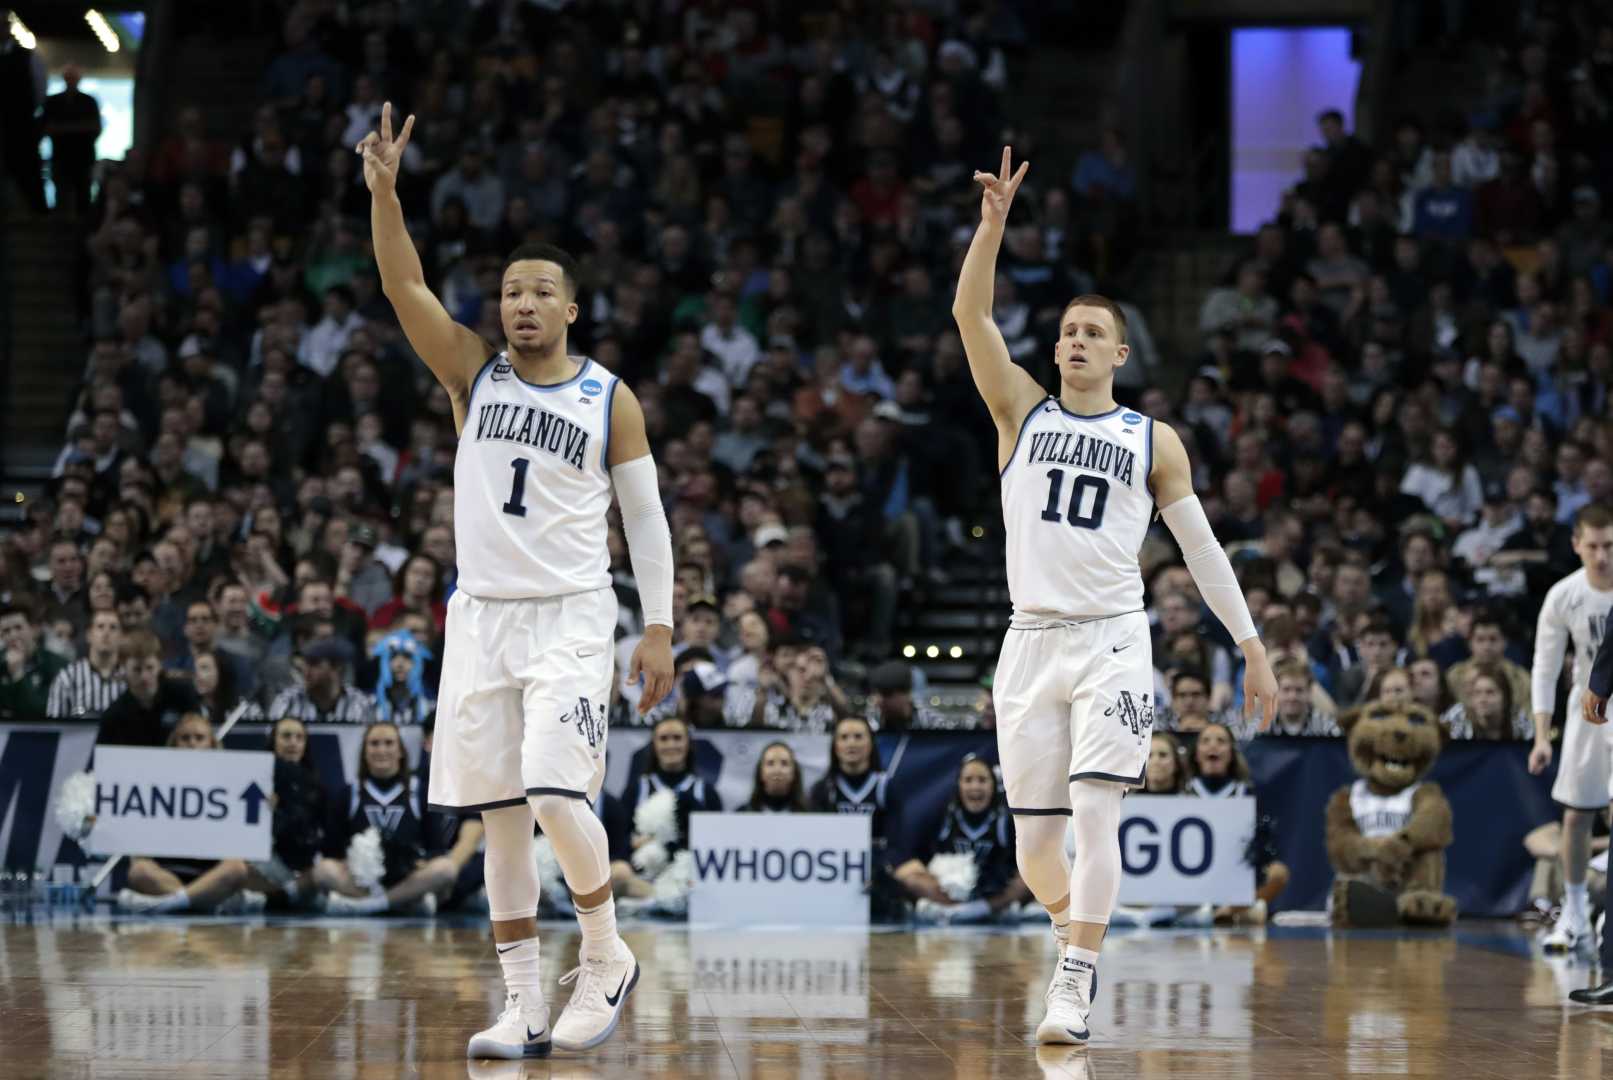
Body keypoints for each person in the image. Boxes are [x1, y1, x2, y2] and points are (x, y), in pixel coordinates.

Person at [360, 102, 674, 1059]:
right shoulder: (472, 375)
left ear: (571, 308)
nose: (522, 304)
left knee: (549, 789)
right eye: (509, 292)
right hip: (482, 618)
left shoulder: (607, 396)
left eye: (541, 291)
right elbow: (403, 281)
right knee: (499, 815)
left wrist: (658, 628)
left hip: (573, 615)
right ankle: (525, 1003)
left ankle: (607, 952)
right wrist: (385, 193)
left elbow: (648, 519)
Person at [952, 147, 1276, 1045]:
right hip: (1028, 641)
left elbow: (1201, 548)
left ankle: (1076, 976)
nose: (1078, 340)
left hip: (1113, 641)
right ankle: (1070, 933)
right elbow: (970, 314)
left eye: (1095, 332)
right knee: (1034, 850)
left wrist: (1248, 642)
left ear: (1120, 353)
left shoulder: (1151, 439)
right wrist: (991, 229)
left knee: (1098, 813)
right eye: (1068, 331)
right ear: (1054, 350)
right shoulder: (1020, 410)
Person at [1529, 505, 1613, 955]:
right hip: (1587, 706)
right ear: (1577, 544)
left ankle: (1609, 923)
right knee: (1577, 814)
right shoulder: (1564, 595)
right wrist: (1543, 734)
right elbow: (1544, 668)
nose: (1601, 556)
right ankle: (1576, 912)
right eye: (1593, 546)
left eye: (1610, 546)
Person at [314, 720, 484, 916]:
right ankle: (401, 902)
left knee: (445, 869)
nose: (381, 749)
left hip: (408, 876)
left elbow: (435, 849)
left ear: (400, 751)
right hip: (361, 879)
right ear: (365, 752)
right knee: (323, 870)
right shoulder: (349, 792)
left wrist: (421, 863)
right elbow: (332, 850)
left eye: (388, 743)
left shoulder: (419, 791)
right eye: (374, 743)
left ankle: (370, 905)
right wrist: (353, 863)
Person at [117, 714, 263, 914]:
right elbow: (139, 848)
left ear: (211, 744)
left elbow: (238, 850)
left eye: (199, 738)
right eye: (185, 738)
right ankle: (203, 902)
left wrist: (264, 806)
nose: (192, 743)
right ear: (175, 743)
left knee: (237, 868)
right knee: (139, 870)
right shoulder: (154, 780)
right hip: (165, 874)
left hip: (213, 874)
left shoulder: (232, 782)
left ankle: (169, 904)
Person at [895, 755, 1029, 922]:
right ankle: (952, 908)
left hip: (994, 893)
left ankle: (974, 910)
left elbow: (1025, 863)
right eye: (968, 780)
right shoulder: (941, 815)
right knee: (909, 877)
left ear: (994, 785)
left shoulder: (1006, 819)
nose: (975, 787)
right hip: (947, 889)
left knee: (1029, 879)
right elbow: (910, 860)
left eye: (982, 780)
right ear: (958, 784)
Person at [46, 608, 126, 719]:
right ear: (89, 635)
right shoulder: (67, 677)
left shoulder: (131, 678)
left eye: (113, 627)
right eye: (100, 626)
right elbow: (53, 727)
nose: (106, 633)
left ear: (122, 637)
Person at [740, 741, 809, 812]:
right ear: (760, 772)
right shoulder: (741, 814)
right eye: (770, 763)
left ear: (793, 773)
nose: (777, 770)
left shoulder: (812, 814)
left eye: (784, 763)